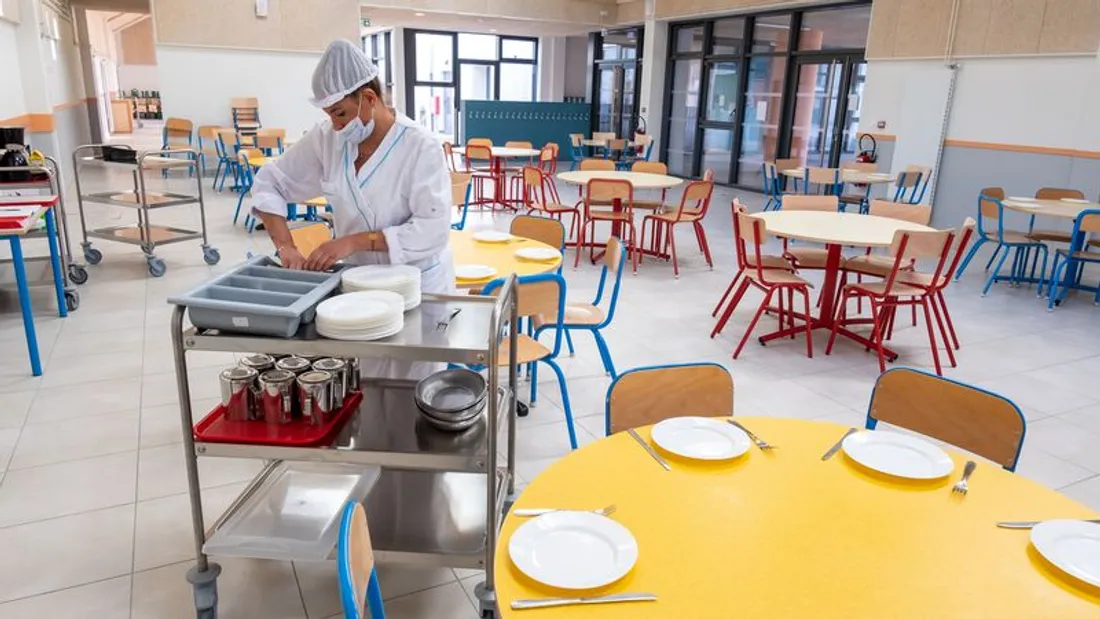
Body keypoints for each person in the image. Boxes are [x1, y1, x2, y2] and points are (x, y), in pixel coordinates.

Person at [251, 39, 454, 379]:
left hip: (420, 289)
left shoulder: (420, 147)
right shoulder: (328, 140)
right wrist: (286, 247)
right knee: (371, 388)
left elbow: (432, 229)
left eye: (340, 113)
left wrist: (352, 242)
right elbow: (271, 182)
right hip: (362, 292)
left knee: (417, 390)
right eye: (329, 115)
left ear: (369, 99)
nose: (335, 125)